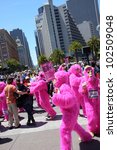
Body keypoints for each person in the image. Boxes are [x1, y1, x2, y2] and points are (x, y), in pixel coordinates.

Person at [52, 71, 92, 150]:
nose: (54, 80)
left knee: (64, 130)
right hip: (71, 111)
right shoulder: (63, 86)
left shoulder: (64, 87)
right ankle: (86, 136)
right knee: (74, 125)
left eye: (55, 78)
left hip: (69, 113)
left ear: (59, 79)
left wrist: (55, 97)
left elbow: (69, 100)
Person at [79, 65, 100, 136]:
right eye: (88, 71)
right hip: (88, 102)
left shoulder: (96, 80)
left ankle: (98, 128)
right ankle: (91, 129)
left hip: (97, 101)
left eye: (91, 71)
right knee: (91, 116)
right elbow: (80, 91)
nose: (90, 73)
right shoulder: (83, 80)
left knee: (99, 115)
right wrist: (83, 88)